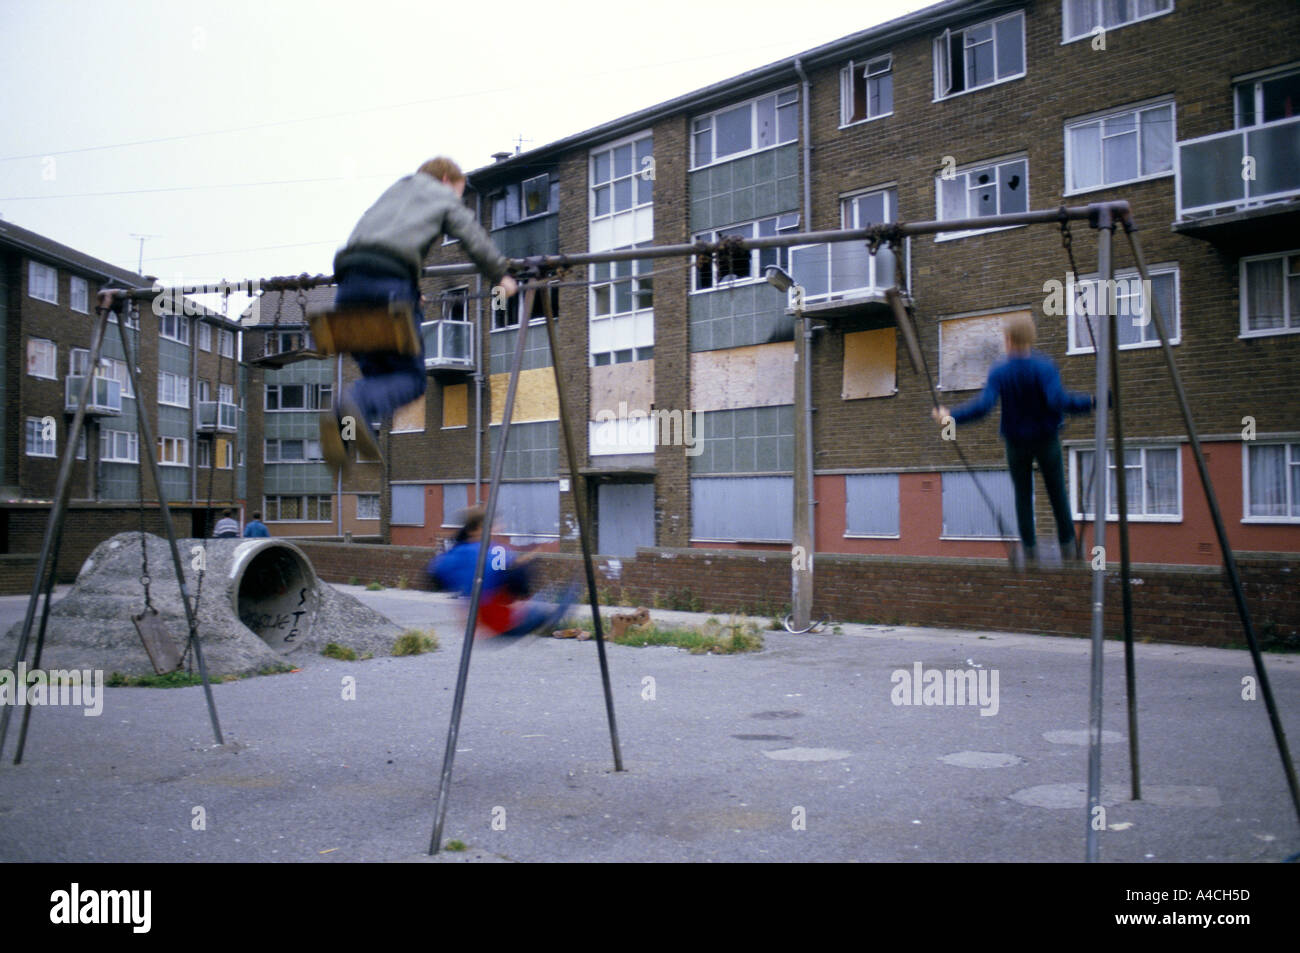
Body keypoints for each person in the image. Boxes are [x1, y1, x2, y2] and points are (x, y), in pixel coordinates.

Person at [320, 157, 519, 475]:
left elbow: (381, 243)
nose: (457, 201)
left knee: (377, 378)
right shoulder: (438, 194)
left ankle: (344, 433)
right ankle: (350, 405)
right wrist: (501, 276)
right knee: (410, 379)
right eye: (459, 194)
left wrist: (410, 290)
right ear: (445, 180)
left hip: (347, 290)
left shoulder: (395, 192)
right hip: (386, 289)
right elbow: (470, 234)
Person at [932, 314, 1095, 566]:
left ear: (1008, 339)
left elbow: (983, 407)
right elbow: (1059, 400)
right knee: (1057, 494)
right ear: (1031, 337)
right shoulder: (1045, 366)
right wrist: (1093, 402)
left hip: (1016, 443)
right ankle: (1068, 547)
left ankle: (1029, 550)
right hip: (1046, 439)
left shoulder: (1000, 370)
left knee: (1022, 494)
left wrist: (950, 417)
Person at [429, 506, 575, 637]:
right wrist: (524, 566)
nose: (501, 527)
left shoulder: (456, 552)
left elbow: (436, 576)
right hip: (504, 622)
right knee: (547, 602)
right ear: (479, 528)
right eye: (495, 524)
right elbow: (513, 584)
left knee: (537, 597)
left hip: (481, 620)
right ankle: (550, 613)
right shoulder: (495, 551)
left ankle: (546, 608)